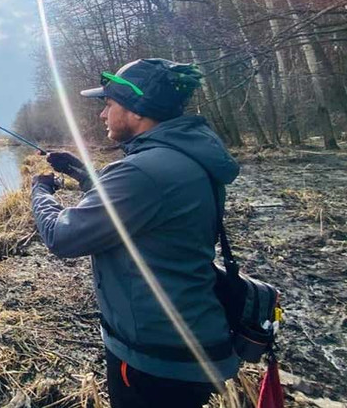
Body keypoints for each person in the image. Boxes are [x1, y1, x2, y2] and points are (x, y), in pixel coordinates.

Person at [30, 58, 240, 408]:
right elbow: (140, 208)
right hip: (186, 341)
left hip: (154, 358)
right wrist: (83, 175)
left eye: (109, 105)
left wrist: (40, 192)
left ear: (138, 110)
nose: (102, 115)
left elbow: (61, 236)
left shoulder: (143, 173)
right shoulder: (185, 158)